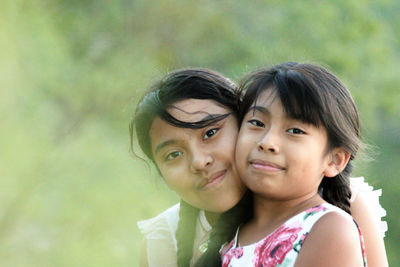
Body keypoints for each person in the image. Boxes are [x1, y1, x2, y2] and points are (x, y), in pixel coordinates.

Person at [131, 67, 388, 267]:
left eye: (210, 133)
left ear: (241, 121)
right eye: (173, 154)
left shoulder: (336, 205)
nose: (199, 162)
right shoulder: (164, 242)